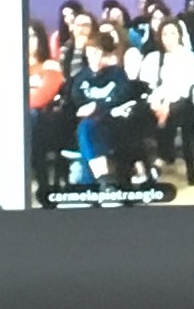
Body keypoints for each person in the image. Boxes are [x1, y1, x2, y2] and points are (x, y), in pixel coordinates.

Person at [138, 19, 194, 182]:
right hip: (158, 99)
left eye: (173, 33)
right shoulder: (153, 58)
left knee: (175, 112)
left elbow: (187, 86)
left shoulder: (189, 57)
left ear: (180, 35)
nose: (169, 38)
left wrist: (167, 103)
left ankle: (164, 157)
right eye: (165, 34)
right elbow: (148, 86)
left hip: (183, 100)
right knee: (138, 114)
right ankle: (142, 166)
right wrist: (156, 102)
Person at [71, 30, 134, 189]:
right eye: (90, 51)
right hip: (88, 122)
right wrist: (86, 109)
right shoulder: (81, 77)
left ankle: (92, 184)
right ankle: (104, 180)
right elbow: (76, 102)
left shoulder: (117, 74)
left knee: (86, 130)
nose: (93, 56)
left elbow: (122, 97)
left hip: (113, 122)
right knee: (86, 128)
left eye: (97, 51)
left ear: (105, 53)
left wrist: (97, 107)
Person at [26, 20, 66, 193]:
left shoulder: (50, 66)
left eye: (32, 36)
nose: (28, 40)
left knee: (32, 116)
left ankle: (41, 183)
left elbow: (42, 97)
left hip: (44, 119)